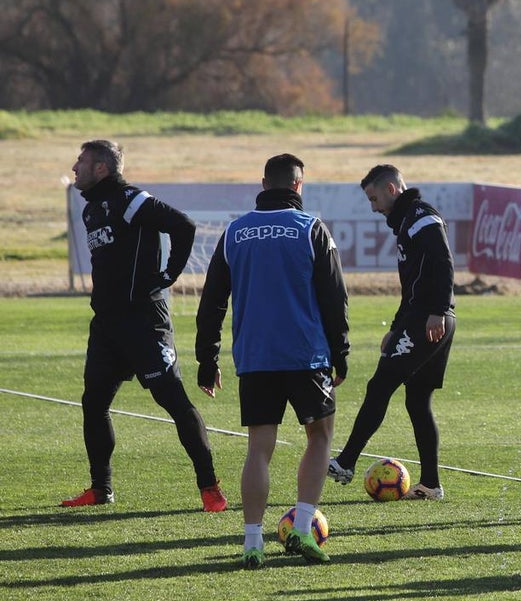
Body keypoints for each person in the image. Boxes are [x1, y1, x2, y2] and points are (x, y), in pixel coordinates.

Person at [195, 154, 350, 568]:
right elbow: (335, 297)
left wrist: (207, 358)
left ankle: (252, 542)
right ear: (299, 186)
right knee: (320, 436)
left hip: (255, 356)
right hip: (305, 355)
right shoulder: (311, 229)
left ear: (264, 184)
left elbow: (212, 302)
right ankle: (302, 528)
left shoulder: (235, 232)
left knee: (258, 449)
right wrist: (341, 352)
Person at [63, 139, 227, 513]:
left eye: (81, 161)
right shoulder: (91, 210)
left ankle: (210, 488)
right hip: (107, 327)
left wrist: (169, 274)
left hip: (143, 323)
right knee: (93, 404)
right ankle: (101, 489)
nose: (74, 167)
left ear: (101, 168)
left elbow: (183, 225)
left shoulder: (131, 200)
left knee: (174, 402)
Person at [326, 165, 456, 500]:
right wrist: (397, 327)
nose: (373, 207)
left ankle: (346, 461)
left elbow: (443, 262)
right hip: (422, 318)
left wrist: (438, 311)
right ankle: (430, 485)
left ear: (391, 189)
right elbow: (412, 285)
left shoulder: (421, 218)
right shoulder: (408, 221)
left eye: (374, 198)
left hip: (429, 320)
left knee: (380, 384)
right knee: (417, 401)